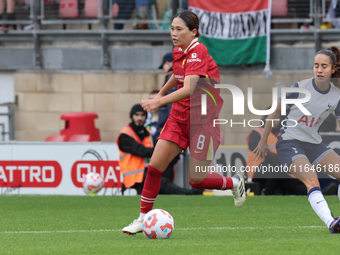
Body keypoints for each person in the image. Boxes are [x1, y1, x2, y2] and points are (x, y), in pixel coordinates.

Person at [122, 10, 246, 235]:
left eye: (179, 29)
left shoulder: (199, 50)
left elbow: (189, 88)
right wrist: (158, 96)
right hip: (179, 118)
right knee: (154, 168)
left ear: (193, 32)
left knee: (196, 181)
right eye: (172, 28)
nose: (173, 33)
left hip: (203, 122)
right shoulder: (179, 51)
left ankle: (234, 183)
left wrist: (157, 103)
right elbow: (176, 77)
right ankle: (142, 219)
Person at [254, 46, 340, 234]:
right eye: (316, 65)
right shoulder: (300, 88)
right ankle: (332, 223)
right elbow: (274, 112)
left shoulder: (336, 95)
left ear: (333, 69)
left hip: (315, 145)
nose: (319, 70)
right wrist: (263, 141)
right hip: (289, 144)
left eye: (324, 66)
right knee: (312, 181)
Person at [247, 114, 307, 195]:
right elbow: (256, 149)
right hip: (258, 167)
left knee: (296, 185)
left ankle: (313, 192)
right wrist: (280, 160)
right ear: (265, 119)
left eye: (277, 118)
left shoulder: (282, 134)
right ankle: (268, 195)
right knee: (275, 169)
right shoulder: (257, 131)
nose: (275, 120)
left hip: (279, 168)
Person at [116, 104, 154, 195]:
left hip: (147, 171)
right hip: (133, 176)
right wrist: (159, 152)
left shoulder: (148, 133)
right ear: (131, 116)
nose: (139, 118)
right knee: (163, 183)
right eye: (136, 115)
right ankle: (188, 193)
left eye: (142, 115)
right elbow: (140, 150)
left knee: (163, 182)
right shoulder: (125, 134)